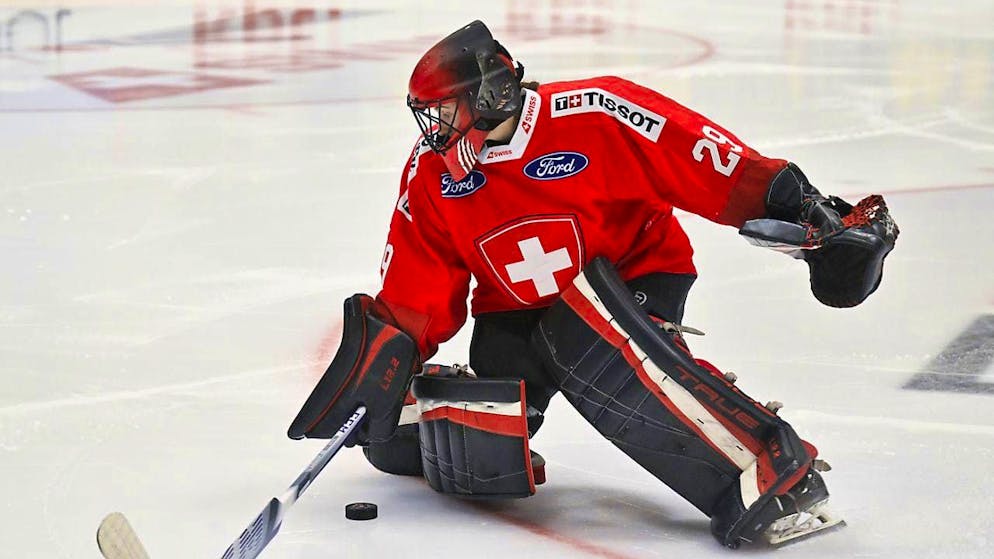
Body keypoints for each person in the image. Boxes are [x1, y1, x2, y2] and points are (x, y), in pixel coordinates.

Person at [287, 20, 898, 548]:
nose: (434, 129)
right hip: (515, 312)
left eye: (444, 112)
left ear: (491, 94)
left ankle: (770, 468)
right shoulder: (433, 174)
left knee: (585, 346)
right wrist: (387, 355)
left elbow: (700, 160)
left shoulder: (597, 111)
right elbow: (420, 270)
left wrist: (803, 209)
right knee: (444, 437)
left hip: (633, 278)